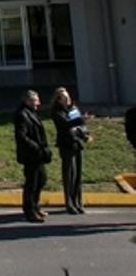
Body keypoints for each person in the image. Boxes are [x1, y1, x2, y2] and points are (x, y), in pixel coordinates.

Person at [14, 89, 53, 223]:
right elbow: (21, 136)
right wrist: (36, 147)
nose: (38, 103)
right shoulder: (22, 115)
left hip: (38, 155)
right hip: (31, 155)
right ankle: (30, 211)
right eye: (35, 100)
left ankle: (36, 206)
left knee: (41, 180)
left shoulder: (32, 113)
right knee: (32, 183)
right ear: (27, 100)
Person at [51, 87, 89, 215]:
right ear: (58, 100)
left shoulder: (73, 109)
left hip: (78, 144)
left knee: (78, 175)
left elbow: (80, 127)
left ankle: (78, 202)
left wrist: (85, 135)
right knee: (69, 175)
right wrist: (80, 121)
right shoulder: (57, 112)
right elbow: (67, 125)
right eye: (64, 97)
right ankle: (69, 203)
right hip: (66, 146)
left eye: (68, 97)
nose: (67, 99)